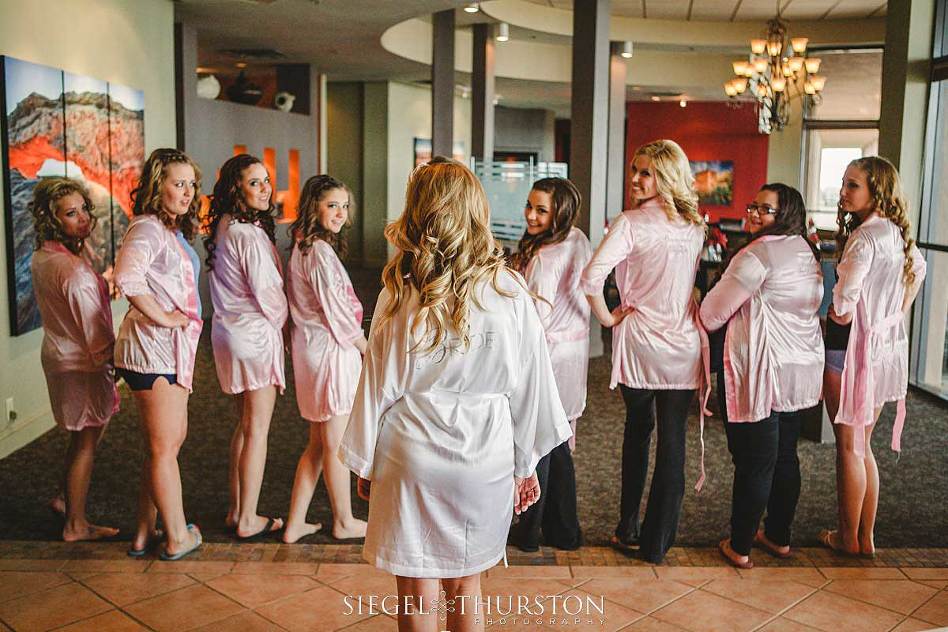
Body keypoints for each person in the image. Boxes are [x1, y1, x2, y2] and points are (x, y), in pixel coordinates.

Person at [339, 157, 571, 631]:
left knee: (415, 589)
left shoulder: (401, 289)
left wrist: (365, 460)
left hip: (411, 452)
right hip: (483, 456)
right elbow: (532, 388)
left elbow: (376, 383)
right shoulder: (509, 289)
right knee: (467, 585)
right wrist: (524, 464)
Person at [580, 139, 705, 564]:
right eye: (635, 169)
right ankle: (656, 544)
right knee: (674, 442)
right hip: (683, 341)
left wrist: (608, 318)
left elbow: (590, 278)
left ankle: (627, 525)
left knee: (638, 433)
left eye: (645, 172)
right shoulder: (695, 225)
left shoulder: (630, 222)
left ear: (666, 177)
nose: (635, 178)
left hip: (641, 342)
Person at [700, 184, 824, 569]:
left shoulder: (757, 255)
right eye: (753, 204)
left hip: (762, 371)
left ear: (785, 214)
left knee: (755, 460)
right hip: (799, 370)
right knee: (786, 456)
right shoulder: (807, 250)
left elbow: (711, 313)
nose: (753, 212)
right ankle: (778, 536)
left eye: (765, 209)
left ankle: (739, 546)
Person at [820, 156, 926, 557]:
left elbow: (844, 308)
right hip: (885, 350)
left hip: (849, 351)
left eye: (853, 185)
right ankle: (866, 538)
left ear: (876, 190)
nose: (844, 192)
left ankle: (847, 538)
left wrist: (832, 312)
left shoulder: (865, 239)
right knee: (863, 445)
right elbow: (920, 268)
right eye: (844, 183)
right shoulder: (898, 235)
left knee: (848, 447)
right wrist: (895, 312)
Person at [114, 148, 203, 560]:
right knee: (165, 447)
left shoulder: (168, 230)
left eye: (190, 184)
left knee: (163, 445)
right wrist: (165, 319)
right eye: (177, 183)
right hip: (154, 353)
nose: (187, 192)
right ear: (157, 184)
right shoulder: (147, 228)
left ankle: (143, 533)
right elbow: (128, 278)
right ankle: (177, 537)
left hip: (167, 353)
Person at [30, 177, 120, 542]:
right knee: (86, 441)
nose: (83, 218)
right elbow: (95, 335)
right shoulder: (75, 272)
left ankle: (66, 500)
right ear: (53, 220)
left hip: (58, 355)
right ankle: (76, 525)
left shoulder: (44, 256)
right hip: (83, 364)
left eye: (83, 208)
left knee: (79, 437)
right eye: (71, 213)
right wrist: (117, 364)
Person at [205, 154, 288, 540]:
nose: (265, 188)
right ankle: (249, 518)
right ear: (235, 188)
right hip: (253, 337)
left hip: (227, 334)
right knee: (258, 430)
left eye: (266, 180)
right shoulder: (248, 235)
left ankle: (237, 508)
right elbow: (270, 295)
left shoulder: (225, 225)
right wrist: (290, 329)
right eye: (255, 182)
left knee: (245, 425)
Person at [283, 175, 368, 544]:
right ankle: (344, 520)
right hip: (330, 353)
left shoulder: (305, 246)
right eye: (332, 205)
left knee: (317, 444)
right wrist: (366, 347)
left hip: (312, 352)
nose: (340, 213)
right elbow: (338, 312)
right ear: (313, 207)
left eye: (344, 206)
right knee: (334, 442)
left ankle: (294, 523)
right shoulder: (318, 251)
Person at [507, 177, 589, 552]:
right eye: (529, 206)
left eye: (541, 210)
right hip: (573, 355)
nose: (530, 215)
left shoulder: (543, 258)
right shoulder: (578, 239)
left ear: (560, 212)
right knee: (556, 444)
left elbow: (532, 320)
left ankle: (527, 532)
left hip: (548, 357)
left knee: (539, 442)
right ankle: (565, 530)